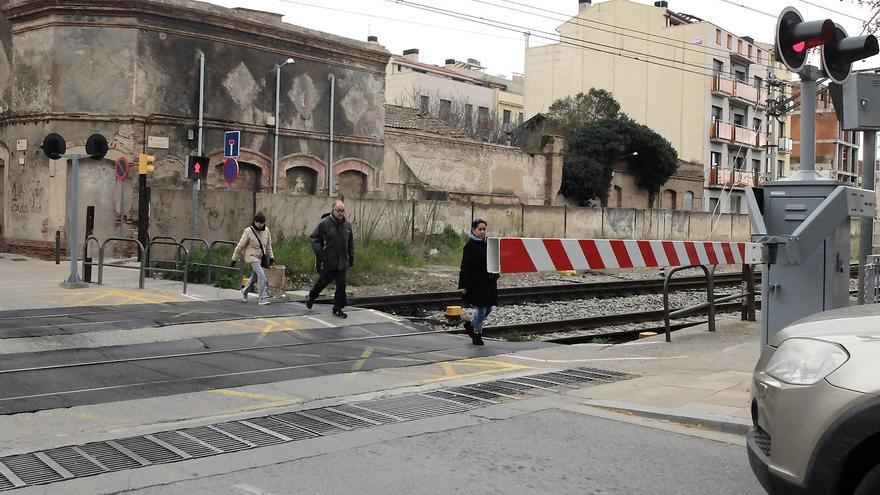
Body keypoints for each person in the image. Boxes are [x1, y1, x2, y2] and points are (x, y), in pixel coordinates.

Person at [306, 200, 354, 318]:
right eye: (338, 210)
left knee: (341, 285)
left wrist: (351, 258)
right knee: (322, 282)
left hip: (342, 261)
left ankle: (337, 308)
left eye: (343, 210)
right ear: (333, 210)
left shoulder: (347, 225)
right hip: (328, 260)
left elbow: (350, 243)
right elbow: (314, 238)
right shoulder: (325, 223)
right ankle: (312, 296)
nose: (341, 213)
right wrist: (321, 254)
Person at [458, 218, 499, 346]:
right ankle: (476, 334)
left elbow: (495, 260)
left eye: (484, 229)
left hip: (488, 282)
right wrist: (463, 285)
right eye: (479, 229)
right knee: (481, 310)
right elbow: (464, 266)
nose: (482, 232)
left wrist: (496, 273)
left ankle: (470, 325)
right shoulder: (469, 246)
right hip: (476, 283)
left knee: (488, 309)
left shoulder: (489, 244)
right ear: (473, 230)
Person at [231, 212, 274, 305]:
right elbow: (240, 245)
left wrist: (271, 258)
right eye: (259, 223)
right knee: (261, 275)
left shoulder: (266, 231)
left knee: (255, 276)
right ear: (254, 222)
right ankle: (261, 298)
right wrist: (234, 258)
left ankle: (245, 291)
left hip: (261, 257)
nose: (261, 225)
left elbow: (268, 246)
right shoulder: (248, 231)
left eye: (262, 223)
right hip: (251, 256)